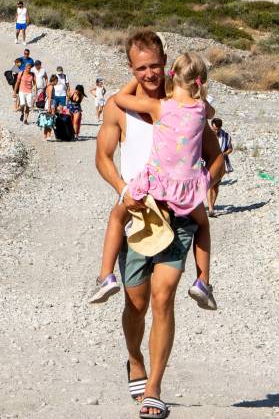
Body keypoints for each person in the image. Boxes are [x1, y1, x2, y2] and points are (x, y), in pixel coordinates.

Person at [91, 31, 226, 417]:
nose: (149, 73)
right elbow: (102, 156)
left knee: (163, 298)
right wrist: (121, 189)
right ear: (131, 69)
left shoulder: (185, 104)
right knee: (136, 303)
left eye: (155, 65)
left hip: (179, 213)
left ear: (166, 61)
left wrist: (203, 185)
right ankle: (135, 359)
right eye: (140, 67)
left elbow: (215, 156)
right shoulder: (123, 109)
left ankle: (154, 389)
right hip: (138, 212)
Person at [206, 118, 234, 217]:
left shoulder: (226, 136)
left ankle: (212, 206)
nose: (216, 131)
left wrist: (224, 154)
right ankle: (210, 208)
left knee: (216, 186)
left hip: (220, 164)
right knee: (209, 184)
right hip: (207, 163)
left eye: (217, 129)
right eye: (214, 129)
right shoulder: (206, 135)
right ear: (211, 126)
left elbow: (230, 148)